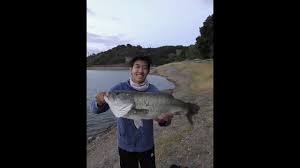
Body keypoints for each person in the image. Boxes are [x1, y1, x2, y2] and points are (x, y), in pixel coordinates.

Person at [89, 56, 173, 168]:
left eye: (144, 68)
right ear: (131, 69)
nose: (140, 71)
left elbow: (165, 122)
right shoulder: (119, 89)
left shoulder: (154, 91)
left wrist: (165, 120)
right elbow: (94, 110)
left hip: (146, 145)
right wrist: (99, 102)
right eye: (137, 67)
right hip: (125, 145)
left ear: (148, 71)